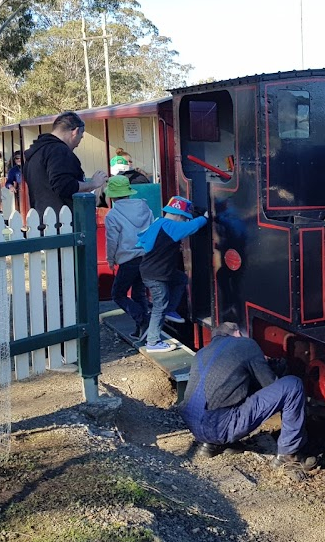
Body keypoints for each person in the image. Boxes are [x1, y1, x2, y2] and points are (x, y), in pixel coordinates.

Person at [180, 321, 314, 479]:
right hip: (218, 427)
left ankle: (210, 445)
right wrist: (276, 369)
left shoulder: (202, 353)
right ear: (237, 333)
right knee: (293, 385)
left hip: (193, 425)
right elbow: (269, 384)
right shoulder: (246, 344)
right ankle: (289, 456)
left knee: (220, 395)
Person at [136, 195, 207, 353]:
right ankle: (153, 342)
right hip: (157, 275)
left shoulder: (159, 222)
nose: (184, 221)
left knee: (181, 279)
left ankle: (170, 310)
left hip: (154, 270)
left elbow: (142, 241)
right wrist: (205, 218)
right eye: (184, 218)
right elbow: (191, 228)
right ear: (178, 215)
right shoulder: (170, 226)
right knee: (159, 306)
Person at [22, 111, 107, 221]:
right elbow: (63, 186)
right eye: (81, 137)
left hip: (40, 220)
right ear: (75, 132)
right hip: (63, 222)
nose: (78, 144)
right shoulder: (59, 151)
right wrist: (93, 183)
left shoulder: (35, 153)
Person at [104, 175, 153, 341]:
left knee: (118, 294)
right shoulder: (144, 207)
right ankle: (142, 329)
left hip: (128, 260)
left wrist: (110, 260)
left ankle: (144, 320)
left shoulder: (113, 215)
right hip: (146, 256)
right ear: (128, 192)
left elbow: (112, 241)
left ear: (111, 195)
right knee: (139, 294)